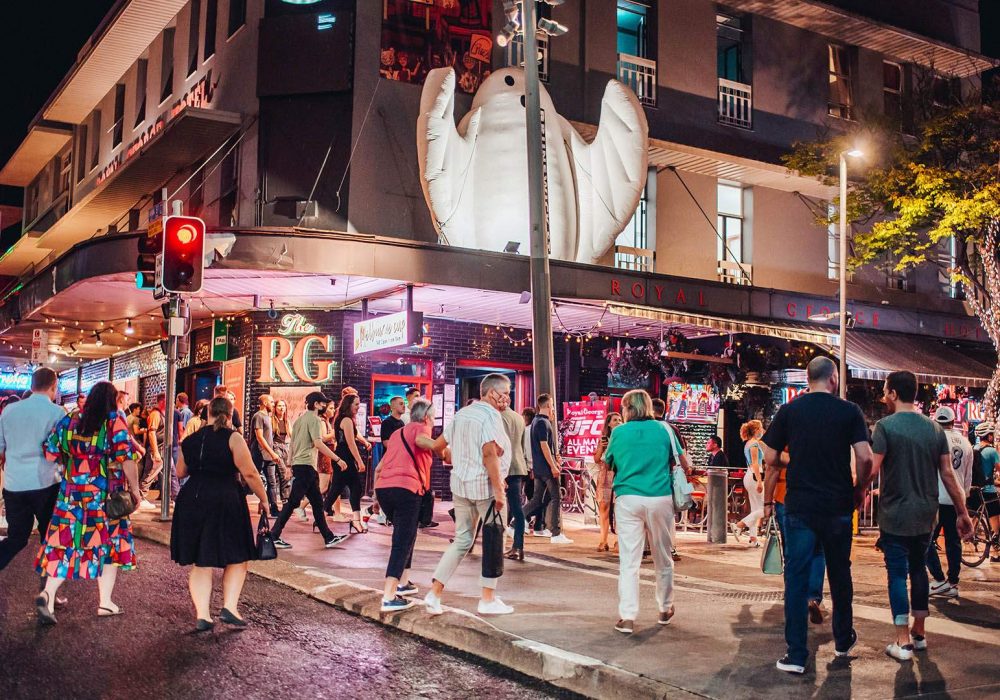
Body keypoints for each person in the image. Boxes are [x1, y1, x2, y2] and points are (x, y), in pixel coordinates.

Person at [763, 356, 873, 675]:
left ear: (807, 379)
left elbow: (769, 455)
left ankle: (797, 655)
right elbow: (865, 457)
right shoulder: (849, 411)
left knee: (796, 578)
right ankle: (842, 640)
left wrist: (794, 458)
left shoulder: (790, 410)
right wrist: (861, 488)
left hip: (800, 507)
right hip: (838, 505)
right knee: (840, 573)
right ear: (834, 379)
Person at [858, 372, 973, 661]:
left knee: (897, 573)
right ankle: (920, 633)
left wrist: (856, 491)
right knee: (919, 569)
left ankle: (902, 640)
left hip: (895, 512)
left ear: (894, 394)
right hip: (926, 512)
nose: (883, 397)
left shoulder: (885, 426)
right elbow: (947, 474)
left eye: (885, 391)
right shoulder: (935, 430)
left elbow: (873, 468)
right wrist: (962, 512)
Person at [35, 381, 141, 624]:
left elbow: (50, 451)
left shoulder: (70, 419)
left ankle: (47, 594)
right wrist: (135, 491)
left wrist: (70, 462)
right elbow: (126, 458)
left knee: (66, 545)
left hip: (71, 496)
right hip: (105, 497)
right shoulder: (113, 421)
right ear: (112, 400)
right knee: (110, 547)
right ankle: (105, 602)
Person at [172, 396, 271, 631]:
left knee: (201, 559)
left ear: (208, 413)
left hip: (193, 499)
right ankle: (229, 607)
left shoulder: (191, 440)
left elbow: (180, 472)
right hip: (225, 499)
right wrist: (264, 499)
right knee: (237, 555)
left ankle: (203, 615)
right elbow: (250, 473)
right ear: (230, 413)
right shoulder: (233, 438)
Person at [424, 373, 513, 616]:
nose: (507, 397)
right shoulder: (490, 416)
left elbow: (439, 446)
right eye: (505, 392)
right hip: (485, 488)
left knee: (463, 539)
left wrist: (457, 456)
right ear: (492, 393)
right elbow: (489, 453)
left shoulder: (461, 414)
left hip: (461, 486)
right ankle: (488, 598)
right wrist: (499, 491)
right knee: (495, 538)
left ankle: (434, 593)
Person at [602, 390, 680, 634]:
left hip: (628, 498)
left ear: (627, 408)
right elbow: (679, 460)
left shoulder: (618, 432)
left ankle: (627, 616)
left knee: (629, 560)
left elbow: (608, 462)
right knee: (663, 555)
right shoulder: (664, 429)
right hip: (660, 497)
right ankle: (665, 608)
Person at [374, 398, 442, 612]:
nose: (434, 421)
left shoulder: (397, 433)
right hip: (406, 489)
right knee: (402, 541)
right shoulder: (422, 429)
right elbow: (425, 442)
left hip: (385, 489)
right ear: (426, 417)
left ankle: (403, 583)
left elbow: (379, 467)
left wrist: (376, 500)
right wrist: (443, 443)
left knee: (407, 534)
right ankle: (389, 596)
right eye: (433, 416)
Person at [0, 369, 68, 575]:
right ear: (54, 386)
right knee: (50, 538)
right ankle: (48, 589)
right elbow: (62, 449)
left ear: (31, 385)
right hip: (47, 482)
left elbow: (1, 450)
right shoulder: (58, 413)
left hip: (14, 483)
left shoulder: (9, 411)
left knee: (17, 537)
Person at [270, 392, 349, 550]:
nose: (325, 406)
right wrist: (337, 459)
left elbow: (292, 444)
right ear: (316, 404)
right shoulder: (314, 419)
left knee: (318, 504)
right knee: (293, 502)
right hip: (306, 466)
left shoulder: (299, 420)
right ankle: (273, 535)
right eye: (323, 403)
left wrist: (290, 465)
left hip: (303, 466)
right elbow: (318, 443)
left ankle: (328, 537)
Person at [766, 448, 827, 625]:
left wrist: (767, 502)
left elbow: (772, 466)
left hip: (787, 495)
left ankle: (794, 598)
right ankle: (813, 598)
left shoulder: (787, 426)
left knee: (791, 552)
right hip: (821, 496)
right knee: (817, 550)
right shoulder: (827, 426)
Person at [926, 406, 973, 599]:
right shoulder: (966, 443)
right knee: (953, 542)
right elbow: (968, 476)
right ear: (953, 422)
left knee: (927, 541)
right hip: (957, 499)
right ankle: (953, 582)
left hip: (936, 497)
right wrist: (964, 500)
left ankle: (938, 579)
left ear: (936, 421)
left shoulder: (934, 439)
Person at [523, 394, 573, 544]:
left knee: (537, 499)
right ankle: (556, 533)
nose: (553, 408)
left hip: (540, 469)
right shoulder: (542, 423)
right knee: (556, 497)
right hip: (546, 469)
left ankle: (516, 521)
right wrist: (553, 466)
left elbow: (545, 447)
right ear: (546, 405)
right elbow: (544, 446)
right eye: (551, 405)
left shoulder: (536, 422)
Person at [326, 394, 368, 533]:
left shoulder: (341, 419)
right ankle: (356, 521)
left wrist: (364, 442)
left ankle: (320, 515)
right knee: (353, 488)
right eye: (356, 404)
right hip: (345, 458)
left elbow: (353, 438)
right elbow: (351, 443)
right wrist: (360, 462)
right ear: (348, 404)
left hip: (342, 457)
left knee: (338, 489)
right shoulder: (347, 420)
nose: (358, 407)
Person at [499, 391, 528, 561]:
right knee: (517, 508)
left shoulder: (499, 418)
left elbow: (499, 445)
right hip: (518, 466)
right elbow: (522, 445)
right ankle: (518, 546)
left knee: (494, 506)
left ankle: (494, 544)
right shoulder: (519, 418)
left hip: (504, 467)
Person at [732, 420, 765, 546]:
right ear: (756, 430)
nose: (762, 430)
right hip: (755, 475)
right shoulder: (754, 444)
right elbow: (755, 463)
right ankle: (739, 525)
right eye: (761, 428)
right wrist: (760, 481)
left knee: (756, 509)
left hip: (749, 475)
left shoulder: (748, 443)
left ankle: (753, 538)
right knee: (763, 509)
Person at [251, 394, 285, 517]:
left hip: (269, 455)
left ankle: (274, 508)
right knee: (253, 482)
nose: (273, 404)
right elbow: (259, 437)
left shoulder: (268, 417)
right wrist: (272, 452)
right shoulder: (258, 416)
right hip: (259, 454)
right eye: (271, 402)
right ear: (265, 403)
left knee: (272, 482)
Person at [593, 412, 623, 552]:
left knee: (620, 509)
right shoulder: (604, 439)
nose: (618, 422)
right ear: (609, 424)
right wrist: (601, 446)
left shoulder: (624, 438)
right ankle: (602, 541)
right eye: (615, 420)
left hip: (619, 473)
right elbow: (597, 459)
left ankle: (619, 540)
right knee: (604, 507)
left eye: (620, 420)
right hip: (605, 474)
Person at [971, 421, 1000, 562]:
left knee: (975, 516)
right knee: (996, 522)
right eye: (992, 435)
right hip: (989, 491)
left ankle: (969, 536)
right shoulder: (992, 451)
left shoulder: (974, 448)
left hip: (976, 490)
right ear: (988, 436)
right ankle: (996, 553)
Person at [137, 393, 168, 510]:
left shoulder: (163, 414)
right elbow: (151, 432)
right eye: (167, 400)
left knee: (165, 473)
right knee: (150, 472)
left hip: (162, 449)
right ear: (161, 401)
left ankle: (171, 495)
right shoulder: (155, 414)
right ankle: (140, 496)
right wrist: (155, 452)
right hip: (157, 449)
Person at [271, 399, 293, 507]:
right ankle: (285, 500)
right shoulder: (272, 421)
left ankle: (286, 500)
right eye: (279, 406)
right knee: (283, 472)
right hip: (275, 447)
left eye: (283, 406)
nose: (281, 408)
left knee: (287, 474)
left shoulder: (286, 421)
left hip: (285, 447)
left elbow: (292, 435)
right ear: (275, 408)